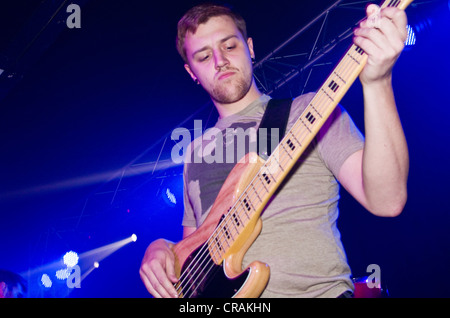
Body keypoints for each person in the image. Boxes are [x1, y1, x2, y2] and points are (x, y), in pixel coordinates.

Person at [140, 2, 409, 298]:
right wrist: (159, 249)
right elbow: (191, 260)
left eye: (229, 46)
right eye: (204, 56)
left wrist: (378, 82)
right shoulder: (194, 153)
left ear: (250, 47)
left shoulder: (307, 111)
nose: (219, 61)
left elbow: (387, 200)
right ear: (191, 72)